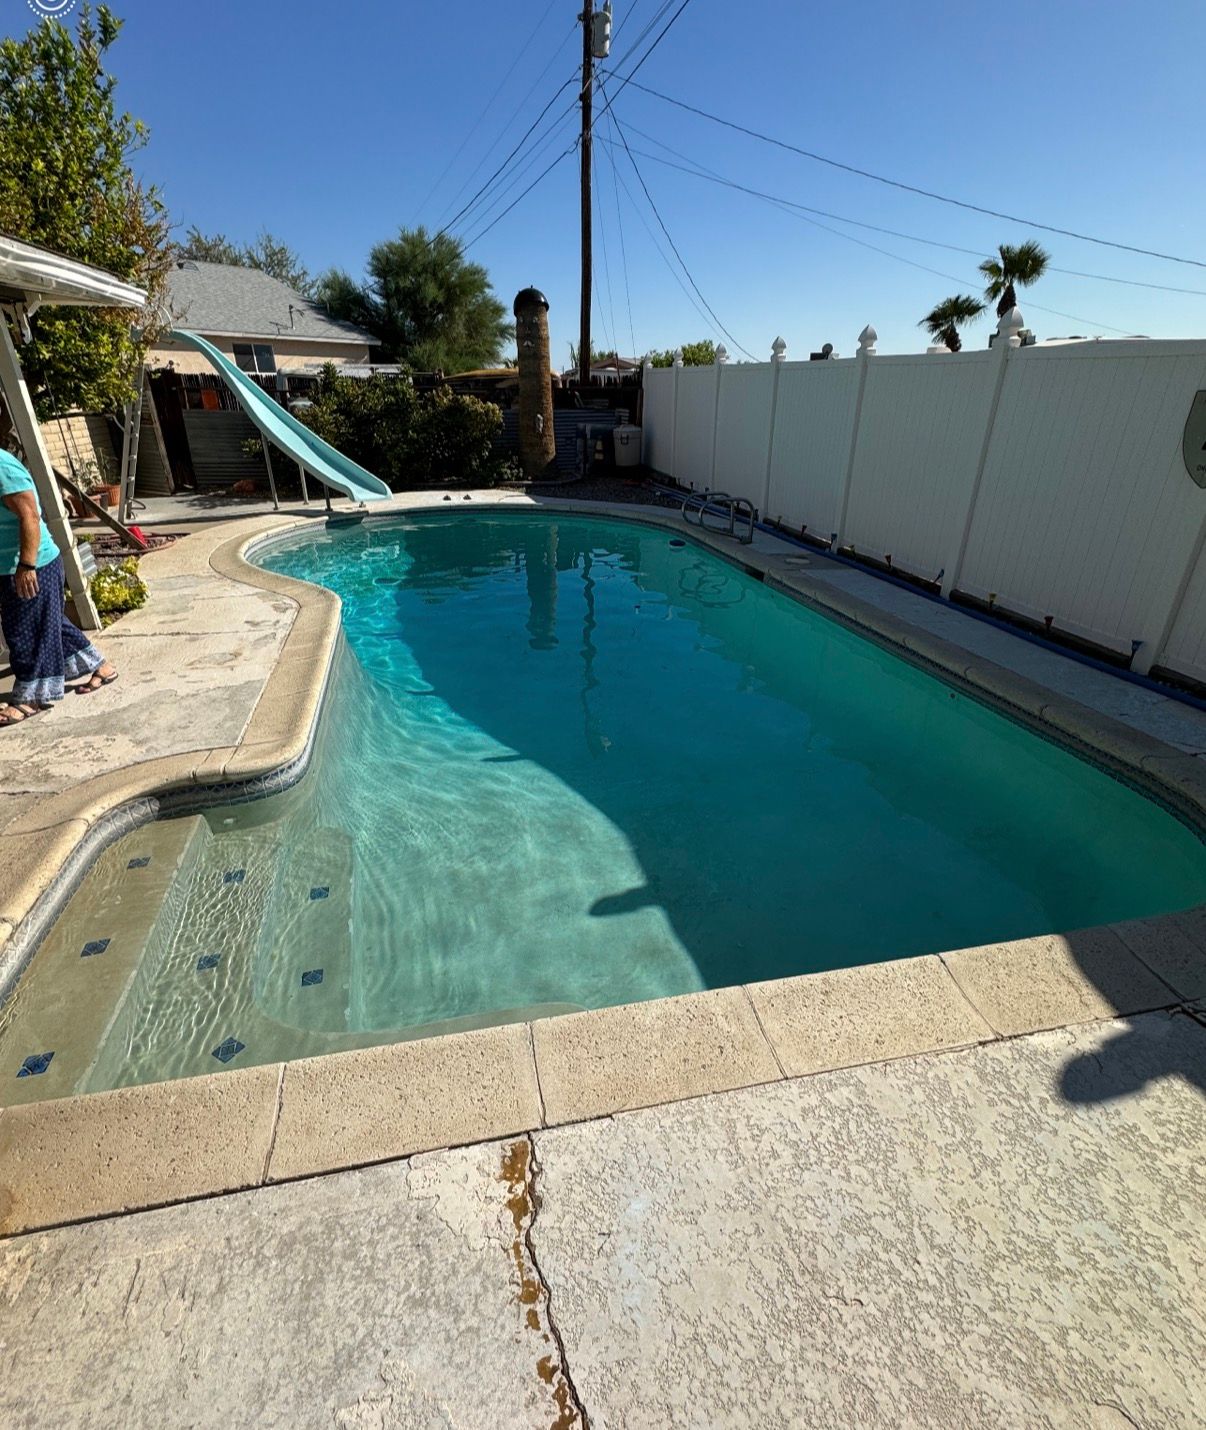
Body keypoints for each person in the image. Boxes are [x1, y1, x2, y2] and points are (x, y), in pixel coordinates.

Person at [0, 432, 118, 728]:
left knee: (24, 631)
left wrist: (26, 565)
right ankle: (101, 667)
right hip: (9, 565)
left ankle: (31, 697)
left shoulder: (2, 467)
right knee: (49, 623)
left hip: (32, 564)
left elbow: (29, 515)